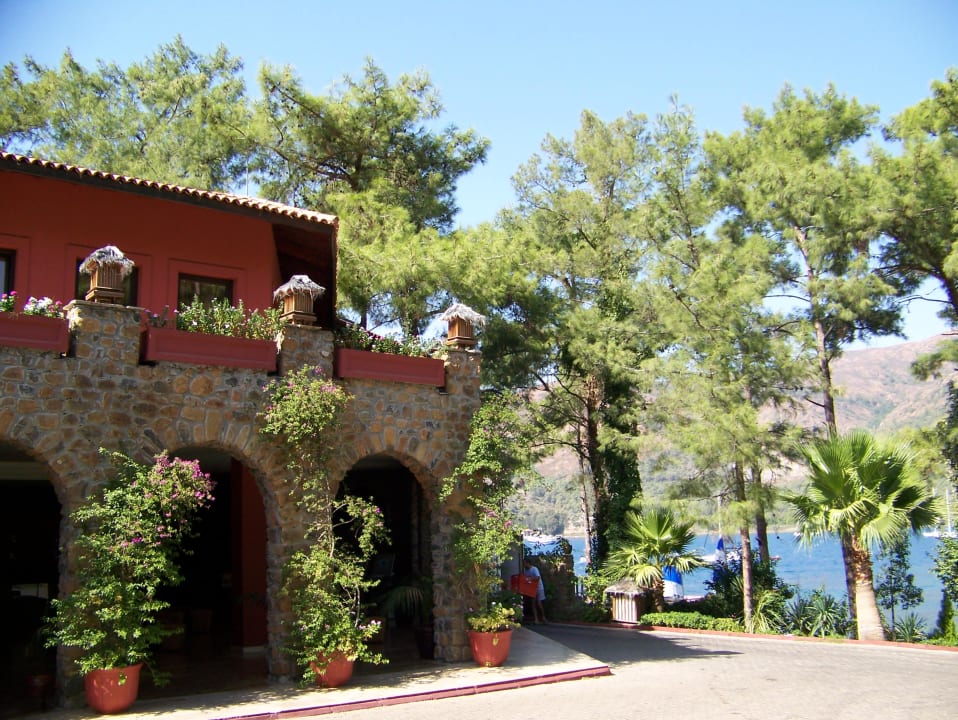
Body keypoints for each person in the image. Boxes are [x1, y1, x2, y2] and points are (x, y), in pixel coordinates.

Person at [523, 558, 547, 624]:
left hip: (539, 587)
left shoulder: (534, 569)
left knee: (539, 603)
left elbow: (538, 577)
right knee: (533, 603)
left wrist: (530, 579)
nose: (524, 564)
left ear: (528, 563)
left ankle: (543, 617)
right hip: (532, 588)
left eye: (525, 563)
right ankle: (536, 619)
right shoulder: (525, 571)